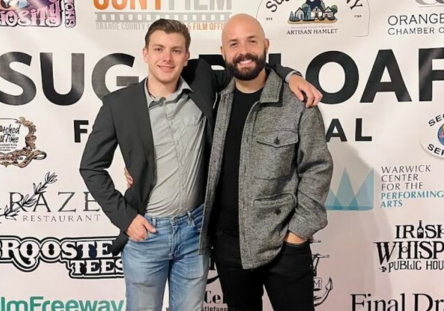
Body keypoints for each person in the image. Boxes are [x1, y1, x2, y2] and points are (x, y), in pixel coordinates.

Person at [80, 18, 321, 311]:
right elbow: (91, 167)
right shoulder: (118, 104)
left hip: (195, 233)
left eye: (176, 50)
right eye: (158, 49)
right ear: (145, 53)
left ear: (187, 57)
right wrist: (126, 219)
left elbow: (248, 67)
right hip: (147, 234)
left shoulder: (203, 81)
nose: (166, 58)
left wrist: (291, 75)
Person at [199, 14, 334, 311]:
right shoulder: (216, 100)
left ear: (266, 45)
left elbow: (318, 167)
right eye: (233, 44)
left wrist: (297, 235)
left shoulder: (297, 101)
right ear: (223, 53)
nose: (243, 51)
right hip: (228, 246)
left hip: (283, 246)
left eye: (252, 41)